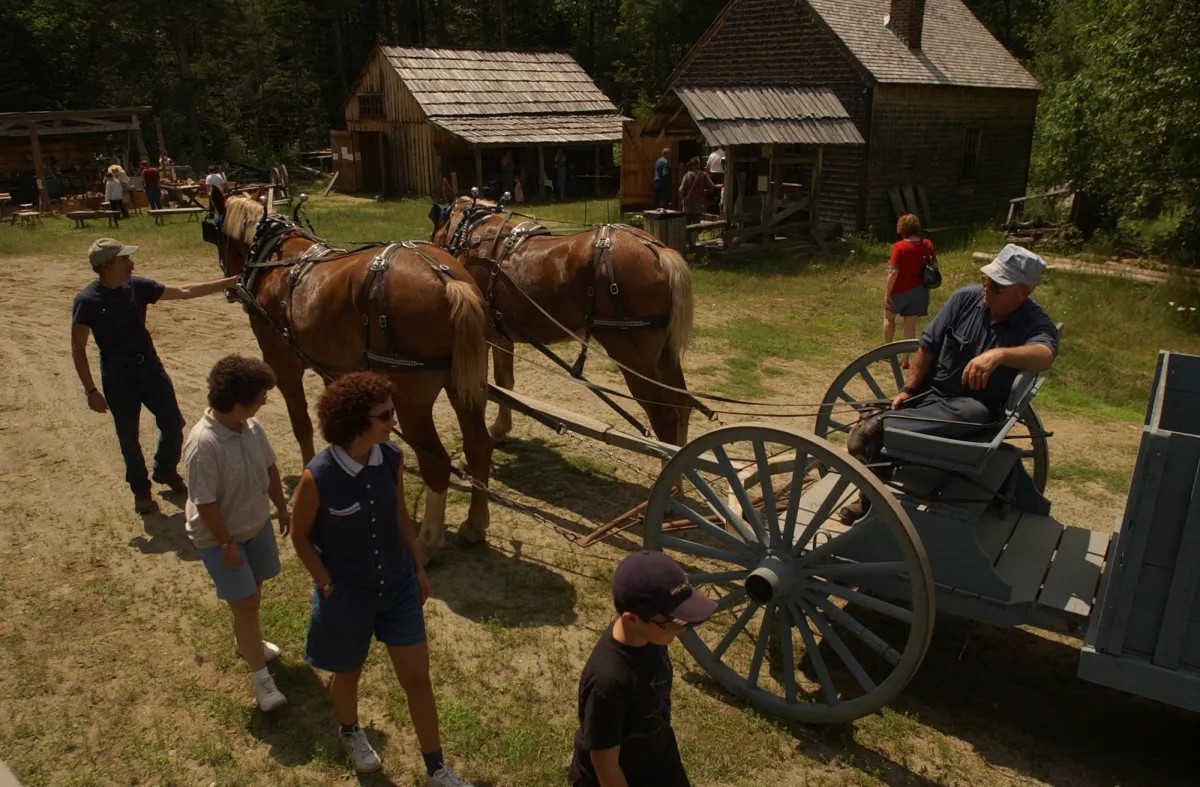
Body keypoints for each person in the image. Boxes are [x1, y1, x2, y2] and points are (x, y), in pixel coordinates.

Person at [290, 373, 473, 785]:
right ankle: (351, 730)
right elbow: (298, 535)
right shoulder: (317, 476)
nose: (394, 420)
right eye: (385, 414)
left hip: (398, 587)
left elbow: (400, 516)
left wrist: (418, 568)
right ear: (358, 421)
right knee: (348, 673)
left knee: (417, 678)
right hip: (348, 595)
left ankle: (436, 768)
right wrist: (325, 582)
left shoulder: (390, 457)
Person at [841, 244, 1059, 522]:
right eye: (986, 279)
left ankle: (884, 426)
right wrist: (909, 389)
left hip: (973, 409)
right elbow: (928, 346)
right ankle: (873, 482)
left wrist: (999, 355)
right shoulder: (964, 300)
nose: (986, 287)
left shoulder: (1033, 321)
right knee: (881, 415)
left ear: (1023, 293)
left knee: (967, 413)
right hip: (933, 394)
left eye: (996, 285)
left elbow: (1044, 355)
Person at [71, 238, 238, 514]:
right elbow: (78, 347)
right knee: (128, 437)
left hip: (150, 367)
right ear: (107, 265)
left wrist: (229, 282)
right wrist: (90, 390)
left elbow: (184, 291)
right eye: (125, 260)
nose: (132, 264)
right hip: (118, 375)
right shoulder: (87, 300)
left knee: (173, 422)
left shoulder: (138, 287)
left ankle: (164, 470)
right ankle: (141, 491)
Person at [183, 355, 291, 711]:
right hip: (220, 537)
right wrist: (226, 544)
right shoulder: (203, 445)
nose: (265, 402)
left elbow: (271, 467)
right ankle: (262, 682)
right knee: (244, 604)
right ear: (240, 402)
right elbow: (206, 503)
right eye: (261, 397)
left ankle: (248, 641)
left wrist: (282, 506)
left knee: (253, 594)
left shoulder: (251, 427)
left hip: (254, 525)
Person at [568, 550, 718, 787]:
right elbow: (605, 764)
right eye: (672, 622)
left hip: (658, 756)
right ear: (631, 619)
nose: (680, 629)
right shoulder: (608, 682)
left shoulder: (652, 636)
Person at [883, 213, 936, 368]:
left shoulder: (899, 247)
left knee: (889, 318)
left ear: (901, 229)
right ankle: (906, 359)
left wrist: (887, 293)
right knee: (910, 325)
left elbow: (893, 272)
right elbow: (934, 265)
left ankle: (888, 352)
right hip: (919, 290)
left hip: (899, 289)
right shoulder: (927, 244)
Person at [677, 157, 715, 224]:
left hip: (688, 205)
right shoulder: (704, 175)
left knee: (687, 224)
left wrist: (683, 198)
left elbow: (681, 190)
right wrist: (704, 192)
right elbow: (711, 187)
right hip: (699, 204)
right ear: (699, 164)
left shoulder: (687, 176)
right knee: (696, 224)